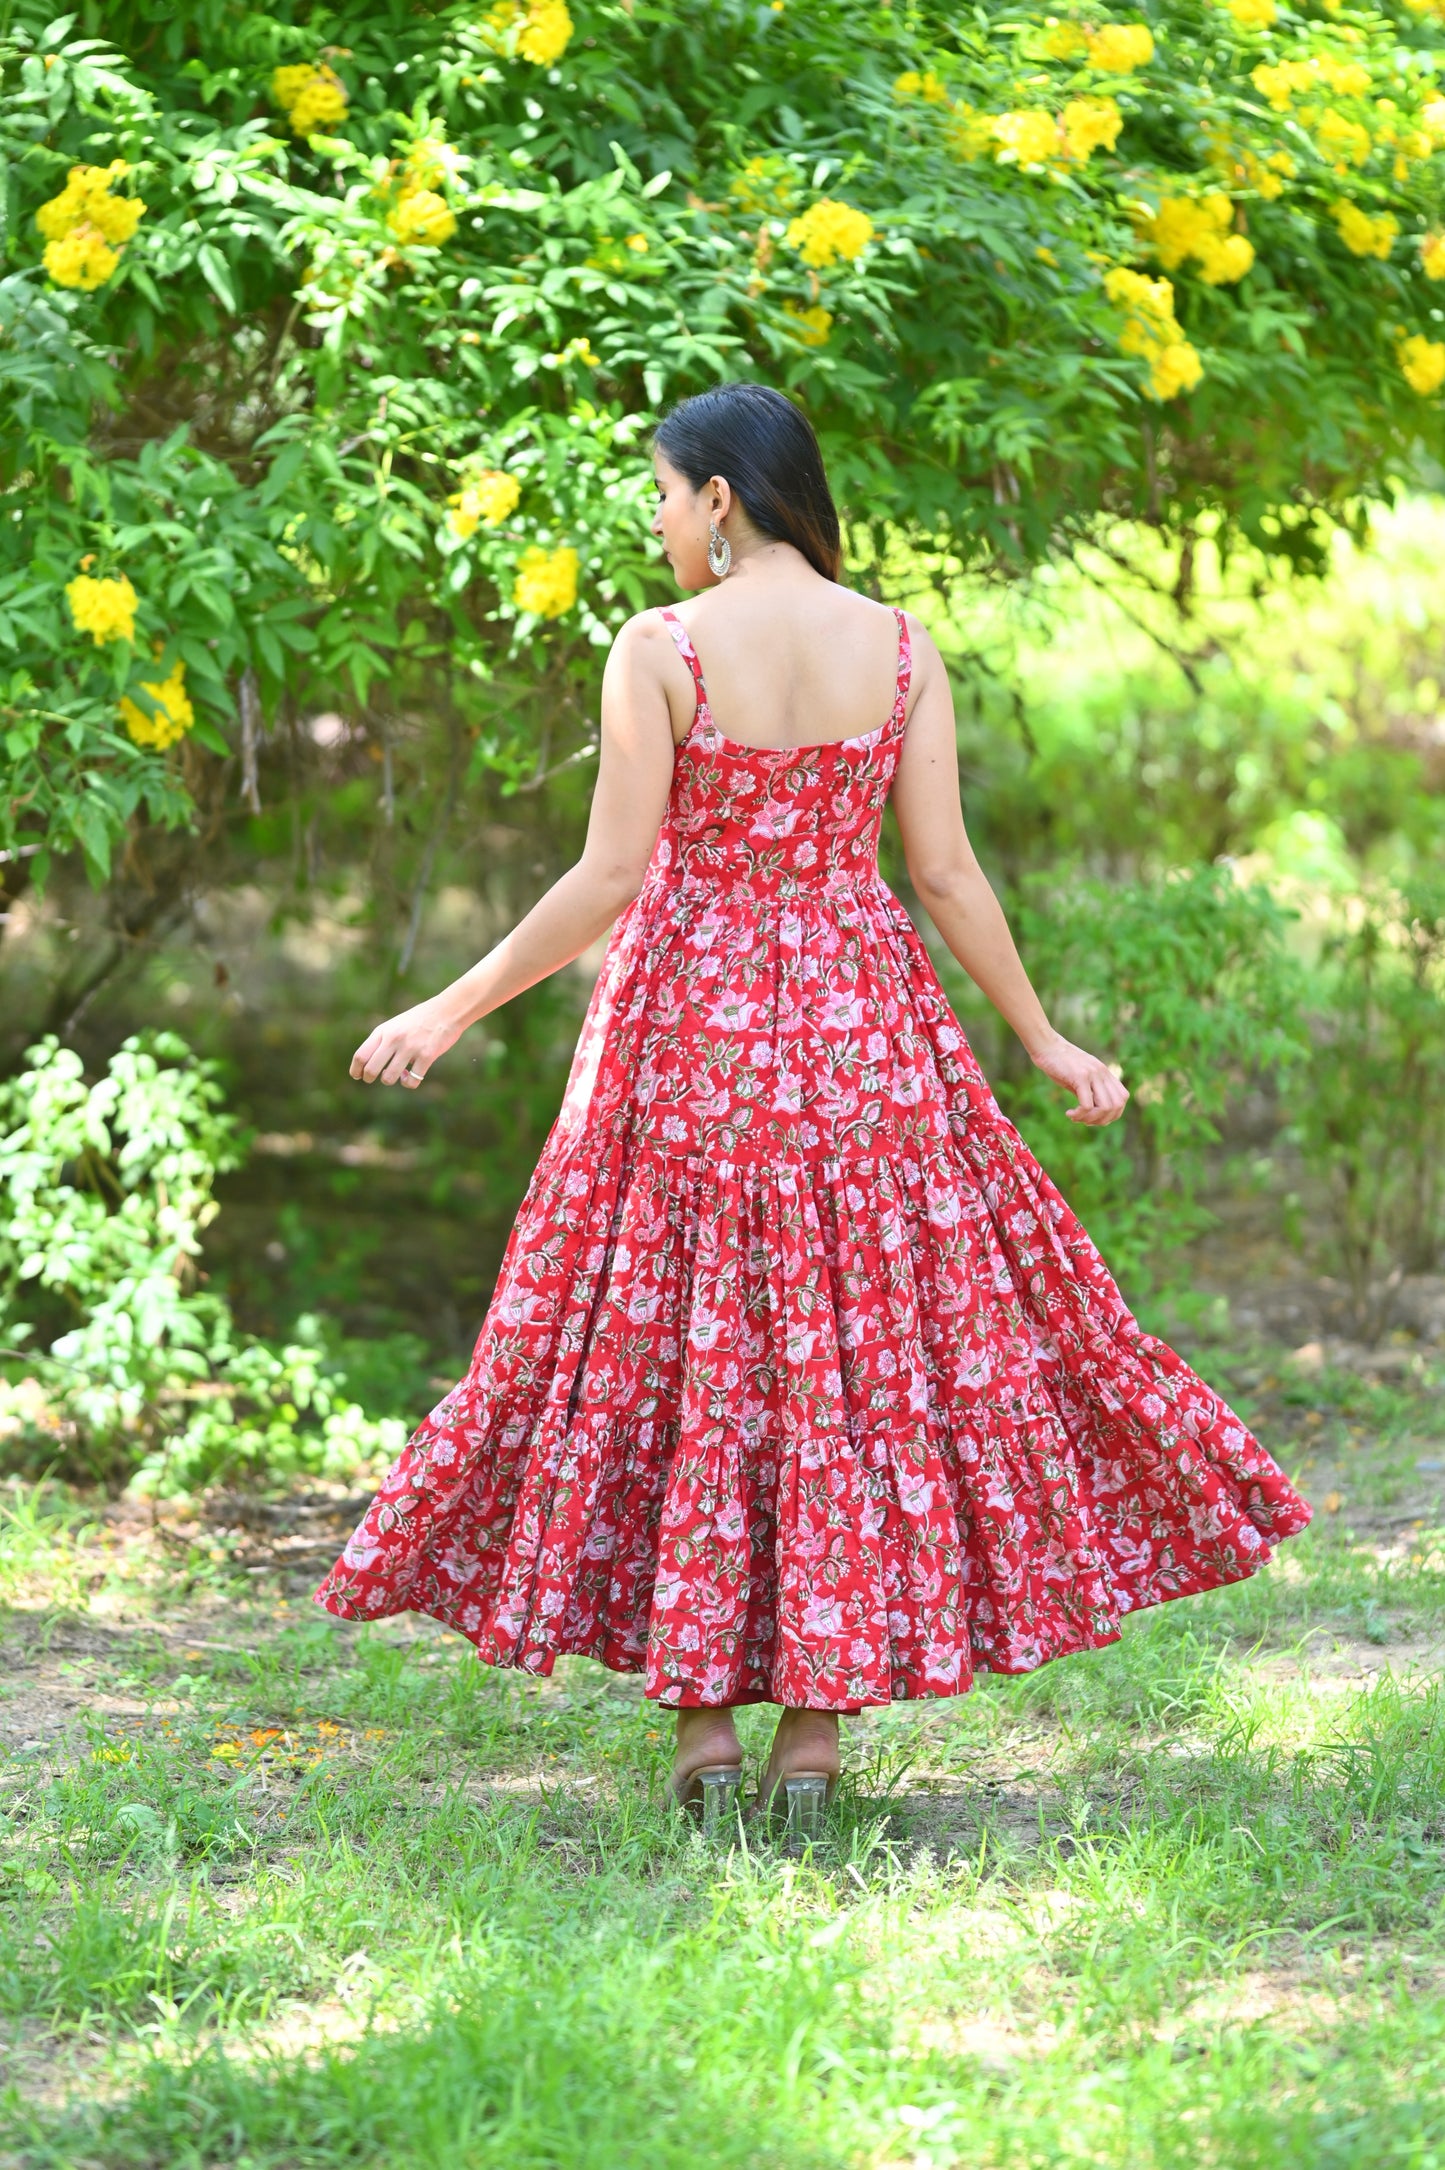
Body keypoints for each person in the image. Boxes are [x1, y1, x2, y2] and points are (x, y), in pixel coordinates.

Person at [315, 382, 1310, 1835]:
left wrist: (444, 1008)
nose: (655, 522)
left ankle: (704, 1726)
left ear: (720, 497)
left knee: (687, 1344)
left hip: (688, 1029)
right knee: (845, 1353)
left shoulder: (659, 649)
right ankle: (813, 1739)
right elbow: (948, 875)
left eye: (661, 493)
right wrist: (1038, 1038)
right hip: (864, 1031)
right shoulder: (898, 648)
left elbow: (606, 879)